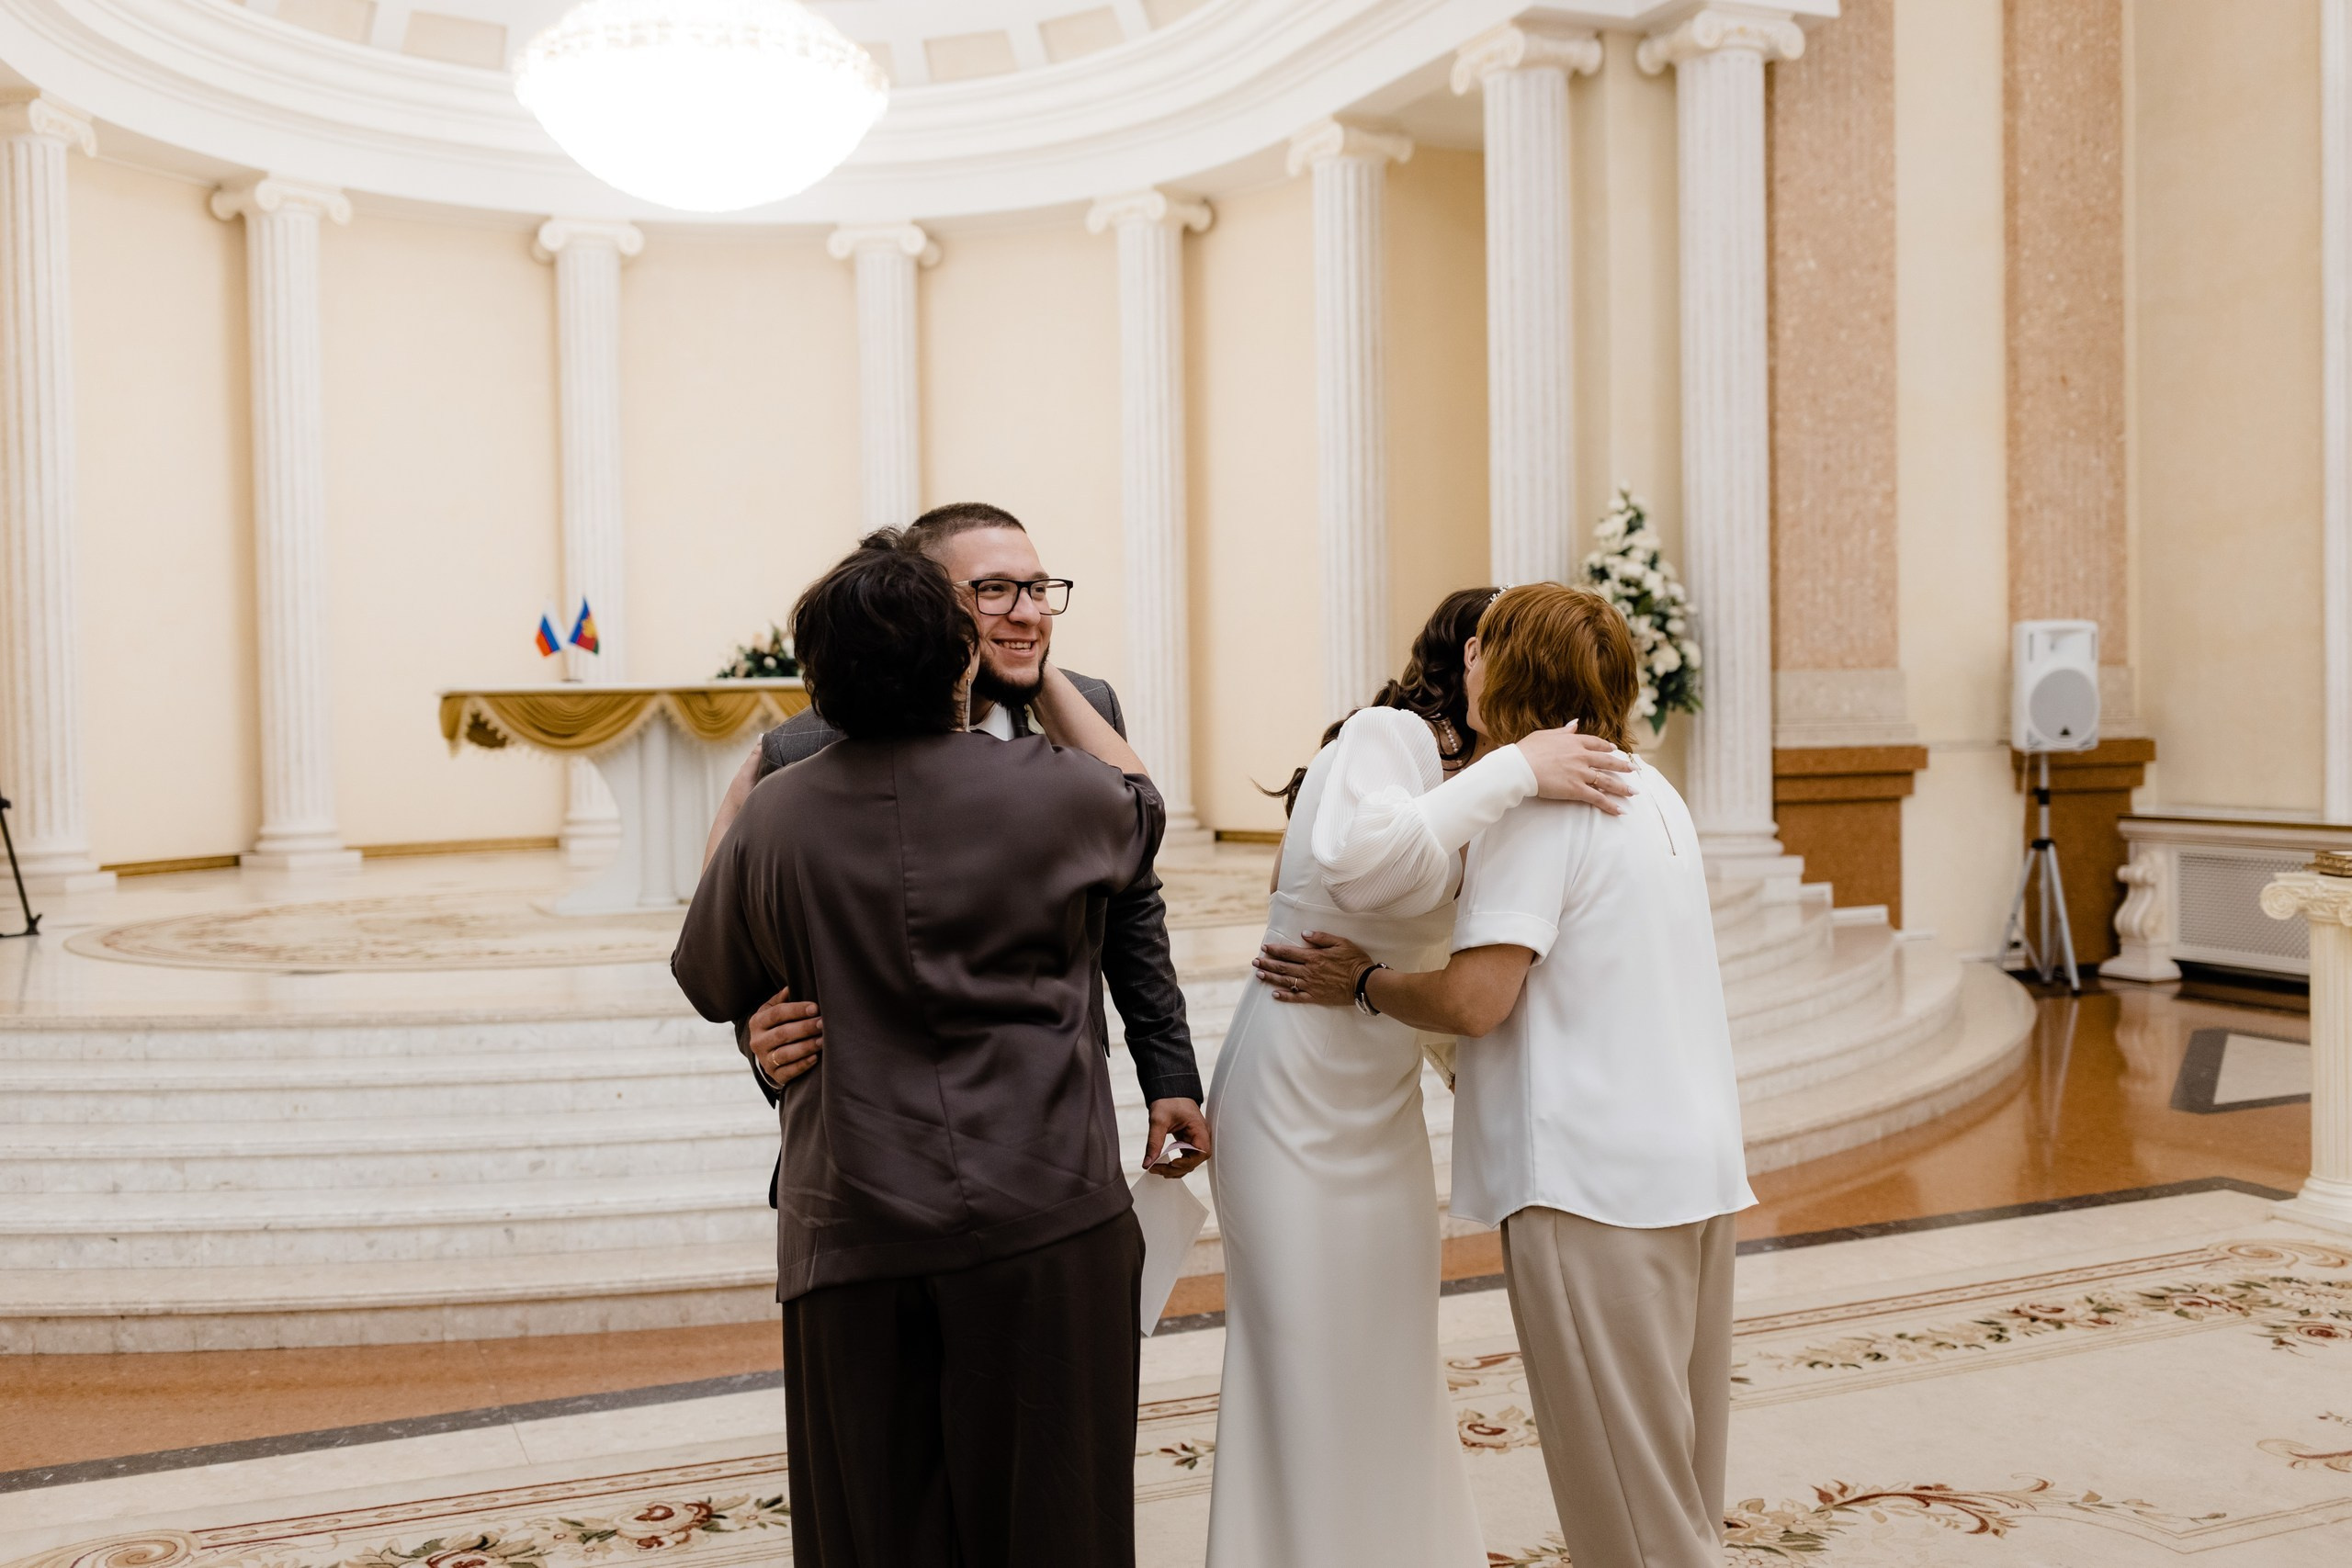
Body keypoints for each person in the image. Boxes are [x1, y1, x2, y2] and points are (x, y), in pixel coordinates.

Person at [673, 532, 1165, 1567]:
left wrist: (739, 805)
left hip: (854, 1228)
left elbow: (708, 977)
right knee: (1060, 1531)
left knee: (876, 1535)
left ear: (819, 682)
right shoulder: (1055, 788)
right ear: (961, 660)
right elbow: (1143, 805)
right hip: (1045, 1213)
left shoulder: (776, 818)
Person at [1255, 583, 1757, 1568]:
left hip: (1593, 1186)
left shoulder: (1537, 810)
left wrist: (1362, 982)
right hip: (1695, 1169)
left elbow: (1477, 1001)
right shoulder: (1655, 791)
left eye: (1482, 647)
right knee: (1683, 1490)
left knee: (1634, 1517)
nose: (1467, 661)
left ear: (1508, 669)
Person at [1202, 587, 1637, 1568]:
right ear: (1471, 656)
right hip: (1292, 1086)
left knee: (1388, 1347)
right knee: (1300, 1355)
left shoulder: (1490, 784)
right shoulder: (1386, 736)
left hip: (1379, 1087)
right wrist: (1516, 771)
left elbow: (1462, 966)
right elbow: (1363, 871)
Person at [705, 502, 1207, 1182]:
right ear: (923, 606)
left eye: (1038, 589)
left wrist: (1168, 1072)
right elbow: (746, 945)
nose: (1029, 612)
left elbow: (1132, 902)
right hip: (873, 1147)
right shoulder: (803, 747)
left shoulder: (1087, 711)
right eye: (995, 590)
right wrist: (758, 1038)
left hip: (1052, 1127)